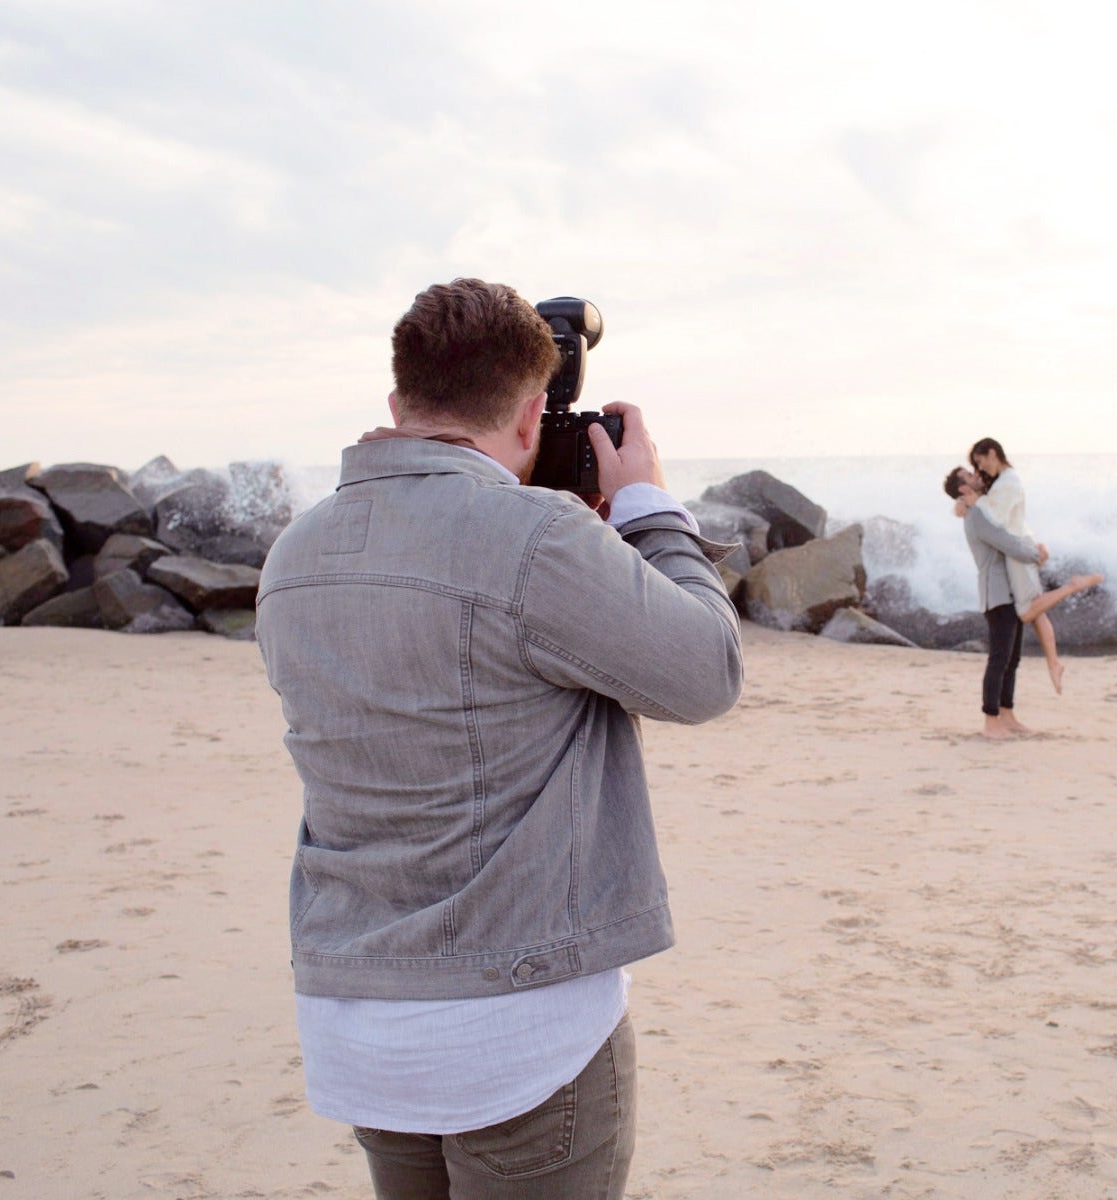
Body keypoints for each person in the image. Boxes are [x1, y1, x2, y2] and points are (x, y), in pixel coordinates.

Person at [255, 278, 744, 1200]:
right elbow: (707, 672)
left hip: (358, 1013)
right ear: (532, 415)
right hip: (514, 1029)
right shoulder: (533, 539)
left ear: (398, 404)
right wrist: (646, 506)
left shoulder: (296, 554)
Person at [943, 466, 1094, 740]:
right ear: (963, 489)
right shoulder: (976, 516)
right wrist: (1035, 555)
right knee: (999, 659)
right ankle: (991, 722)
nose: (977, 476)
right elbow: (1006, 543)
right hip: (996, 594)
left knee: (1012, 660)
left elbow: (1007, 521)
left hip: (1009, 591)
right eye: (970, 476)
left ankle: (1007, 716)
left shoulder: (980, 507)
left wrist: (1035, 548)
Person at [968, 438, 1101, 693]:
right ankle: (1053, 664)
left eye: (981, 460)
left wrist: (974, 502)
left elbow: (997, 517)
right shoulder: (1005, 482)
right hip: (1021, 546)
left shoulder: (1009, 481)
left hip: (1019, 552)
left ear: (992, 453)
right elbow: (1008, 517)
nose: (981, 468)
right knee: (1036, 611)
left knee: (1028, 611)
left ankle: (1073, 586)